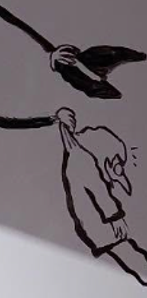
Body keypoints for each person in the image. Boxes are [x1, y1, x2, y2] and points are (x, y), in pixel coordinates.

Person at [57, 108, 147, 286]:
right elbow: (99, 191)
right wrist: (115, 217)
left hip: (95, 231)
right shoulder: (82, 158)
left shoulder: (76, 156)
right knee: (130, 256)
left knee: (130, 256)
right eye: (117, 164)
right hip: (103, 228)